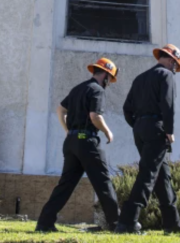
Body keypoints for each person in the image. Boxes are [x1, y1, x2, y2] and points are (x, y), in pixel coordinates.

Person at [115, 44, 180, 235]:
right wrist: (169, 130)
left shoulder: (140, 78)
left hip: (140, 129)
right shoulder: (166, 75)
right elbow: (168, 104)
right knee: (148, 175)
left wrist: (137, 126)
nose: (175, 69)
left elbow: (127, 109)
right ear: (170, 59)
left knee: (162, 177)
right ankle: (126, 222)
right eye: (175, 65)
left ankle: (172, 223)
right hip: (157, 129)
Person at [35, 58, 121, 233]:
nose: (109, 83)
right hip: (88, 142)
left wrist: (68, 130)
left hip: (71, 142)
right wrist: (107, 131)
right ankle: (117, 225)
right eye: (110, 79)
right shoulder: (97, 90)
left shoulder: (78, 88)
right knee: (103, 183)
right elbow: (95, 116)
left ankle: (44, 223)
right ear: (105, 75)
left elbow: (60, 109)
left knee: (65, 184)